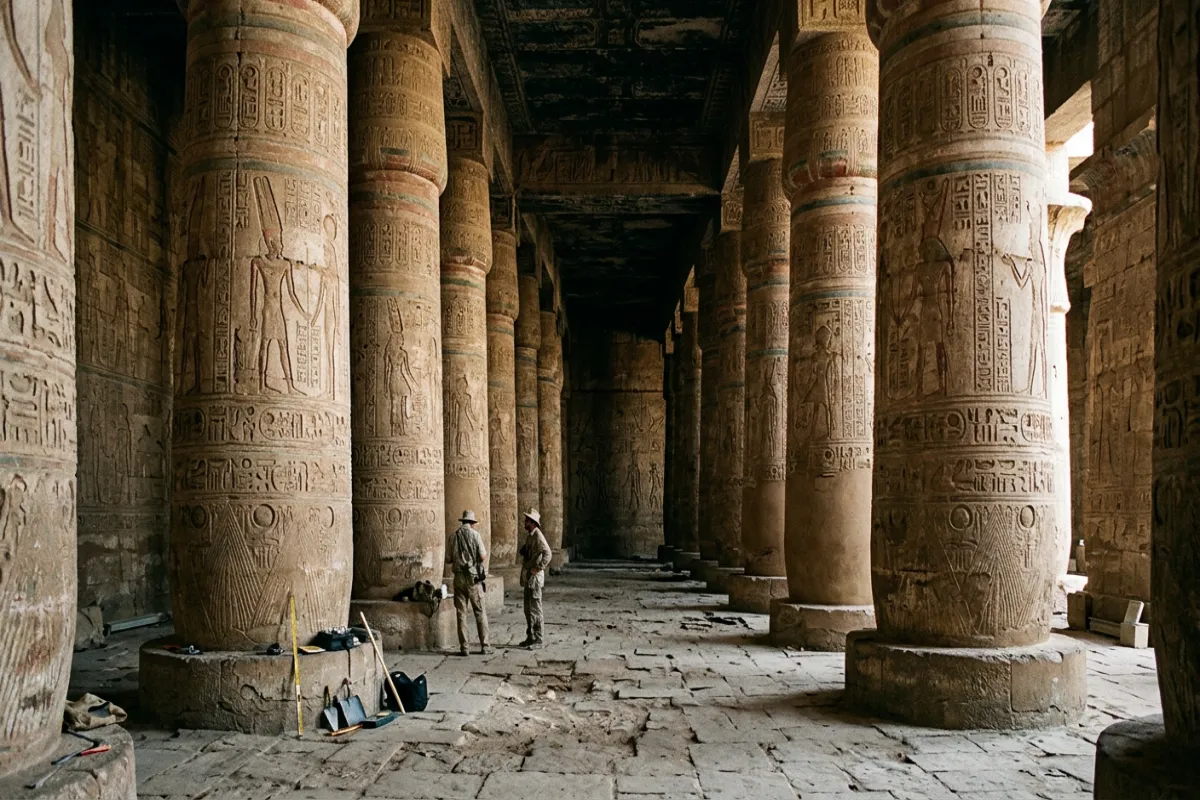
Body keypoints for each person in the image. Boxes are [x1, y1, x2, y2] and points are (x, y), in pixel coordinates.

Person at [450, 509, 490, 656]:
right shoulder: (475, 535)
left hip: (458, 578)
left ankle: (464, 647)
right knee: (479, 611)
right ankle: (485, 645)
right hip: (472, 578)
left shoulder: (453, 536)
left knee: (461, 614)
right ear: (472, 523)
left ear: (463, 522)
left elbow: (448, 558)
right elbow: (483, 556)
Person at [518, 508, 552, 649]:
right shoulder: (530, 536)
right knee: (528, 608)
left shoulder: (538, 535)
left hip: (535, 577)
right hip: (529, 576)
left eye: (527, 520)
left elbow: (547, 553)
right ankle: (530, 636)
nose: (524, 522)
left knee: (536, 608)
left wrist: (539, 567)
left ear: (532, 523)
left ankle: (539, 638)